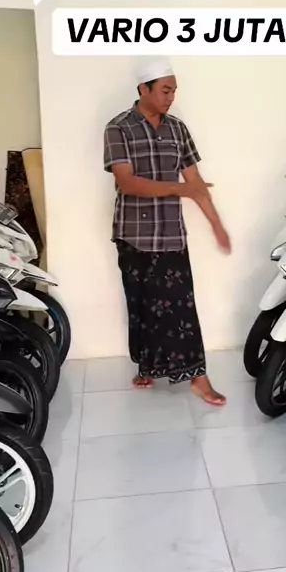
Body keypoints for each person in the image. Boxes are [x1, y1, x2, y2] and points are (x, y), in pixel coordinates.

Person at [103, 56, 231, 405]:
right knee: (141, 305)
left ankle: (198, 379)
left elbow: (195, 183)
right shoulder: (118, 128)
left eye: (174, 90)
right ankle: (147, 366)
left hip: (171, 235)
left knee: (181, 308)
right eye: (165, 90)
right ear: (143, 89)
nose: (171, 97)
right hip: (132, 234)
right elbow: (127, 182)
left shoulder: (178, 129)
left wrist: (217, 225)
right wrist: (179, 189)